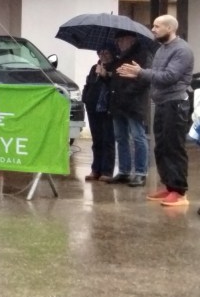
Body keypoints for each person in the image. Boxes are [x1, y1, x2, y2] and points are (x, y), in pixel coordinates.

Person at [116, 15, 194, 208]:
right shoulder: (161, 49)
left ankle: (179, 192)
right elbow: (155, 76)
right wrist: (138, 74)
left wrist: (141, 72)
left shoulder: (182, 50)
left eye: (157, 26)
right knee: (161, 147)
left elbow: (169, 77)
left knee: (173, 147)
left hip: (175, 104)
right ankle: (169, 186)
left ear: (170, 28)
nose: (153, 29)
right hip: (161, 103)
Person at [106, 30, 151, 187]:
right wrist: (106, 70)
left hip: (134, 104)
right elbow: (116, 78)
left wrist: (127, 92)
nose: (118, 44)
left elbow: (145, 79)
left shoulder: (142, 55)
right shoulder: (120, 56)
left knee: (138, 137)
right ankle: (124, 171)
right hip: (118, 104)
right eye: (117, 41)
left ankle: (141, 173)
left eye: (120, 40)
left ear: (130, 39)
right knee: (121, 137)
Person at [82, 47, 116, 181]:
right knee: (96, 140)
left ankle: (107, 171)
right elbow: (88, 84)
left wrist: (105, 75)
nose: (103, 55)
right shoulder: (94, 68)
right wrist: (86, 98)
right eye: (101, 53)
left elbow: (114, 86)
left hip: (107, 108)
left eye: (106, 53)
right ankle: (95, 169)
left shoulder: (116, 68)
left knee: (108, 140)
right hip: (93, 107)